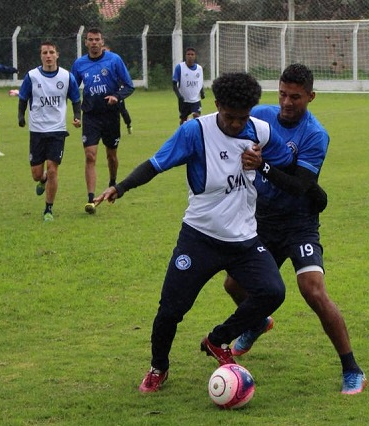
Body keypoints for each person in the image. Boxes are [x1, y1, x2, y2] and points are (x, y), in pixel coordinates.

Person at [93, 72, 294, 393]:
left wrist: (262, 161)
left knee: (273, 292)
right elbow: (155, 164)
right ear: (216, 106)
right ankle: (158, 367)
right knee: (170, 310)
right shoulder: (195, 132)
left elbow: (287, 163)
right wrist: (121, 186)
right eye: (229, 117)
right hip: (199, 238)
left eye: (243, 118)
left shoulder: (261, 131)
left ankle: (217, 340)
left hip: (244, 240)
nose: (236, 125)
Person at [223, 64, 367, 395]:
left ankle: (352, 369)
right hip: (261, 220)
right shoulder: (260, 116)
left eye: (296, 97)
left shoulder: (315, 134)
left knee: (312, 290)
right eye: (283, 94)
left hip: (299, 222)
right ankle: (257, 322)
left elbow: (300, 186)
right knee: (233, 284)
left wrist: (264, 164)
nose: (287, 103)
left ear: (311, 97)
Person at [71, 28, 135, 214]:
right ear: (86, 43)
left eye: (97, 39)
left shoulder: (114, 60)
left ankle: (113, 182)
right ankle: (91, 200)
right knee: (90, 156)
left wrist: (116, 96)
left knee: (111, 156)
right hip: (90, 116)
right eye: (90, 40)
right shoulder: (79, 64)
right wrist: (76, 114)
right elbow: (73, 91)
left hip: (111, 116)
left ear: (102, 41)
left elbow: (129, 85)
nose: (94, 43)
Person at [17, 41, 81, 222]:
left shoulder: (67, 77)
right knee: (37, 174)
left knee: (53, 170)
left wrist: (78, 117)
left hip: (57, 130)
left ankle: (48, 209)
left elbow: (76, 99)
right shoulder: (32, 76)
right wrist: (21, 116)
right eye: (45, 52)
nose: (48, 56)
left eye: (51, 52)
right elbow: (23, 98)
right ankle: (42, 180)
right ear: (41, 56)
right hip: (37, 130)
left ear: (57, 54)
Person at [104, 45, 133, 134]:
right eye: (103, 50)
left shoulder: (114, 60)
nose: (105, 52)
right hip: (106, 92)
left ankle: (128, 125)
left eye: (106, 50)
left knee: (122, 110)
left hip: (117, 91)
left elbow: (123, 77)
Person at [172, 47, 205, 125]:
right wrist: (179, 96)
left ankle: (195, 134)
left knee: (197, 118)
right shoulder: (179, 67)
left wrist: (202, 92)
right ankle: (183, 134)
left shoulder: (199, 68)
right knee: (183, 120)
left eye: (192, 54)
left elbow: (200, 82)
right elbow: (174, 84)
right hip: (184, 100)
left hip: (196, 100)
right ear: (185, 56)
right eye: (188, 54)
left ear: (195, 56)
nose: (190, 56)